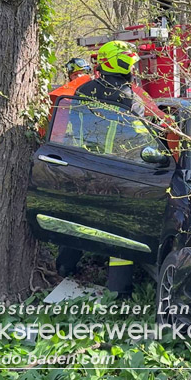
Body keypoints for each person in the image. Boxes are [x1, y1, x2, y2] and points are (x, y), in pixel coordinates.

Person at [75, 40, 143, 296]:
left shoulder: (84, 90)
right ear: (120, 64)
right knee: (120, 232)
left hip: (83, 165)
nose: (132, 68)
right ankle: (118, 289)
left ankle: (66, 269)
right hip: (117, 170)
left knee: (78, 221)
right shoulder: (129, 98)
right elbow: (139, 137)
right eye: (129, 63)